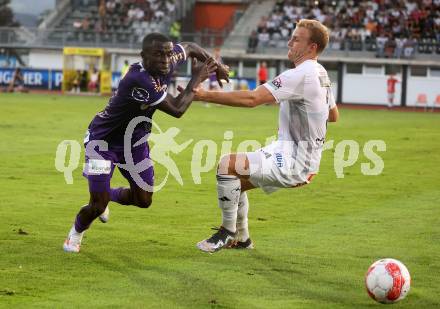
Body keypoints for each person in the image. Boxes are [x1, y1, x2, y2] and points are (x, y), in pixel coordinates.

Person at [63, 33, 228, 253]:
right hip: (102, 144)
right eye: (158, 55)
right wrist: (197, 78)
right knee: (96, 206)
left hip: (135, 144)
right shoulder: (138, 80)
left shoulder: (168, 59)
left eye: (168, 54)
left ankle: (107, 194)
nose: (165, 59)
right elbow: (177, 109)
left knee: (143, 200)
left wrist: (216, 66)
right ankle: (75, 234)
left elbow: (190, 47)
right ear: (144, 56)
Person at [192, 19, 339, 253]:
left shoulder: (301, 74)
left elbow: (252, 99)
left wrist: (203, 95)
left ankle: (227, 232)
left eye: (296, 39)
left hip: (295, 160)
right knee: (235, 181)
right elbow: (333, 116)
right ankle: (243, 239)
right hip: (300, 155)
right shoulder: (321, 73)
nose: (290, 41)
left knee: (227, 165)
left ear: (311, 47)